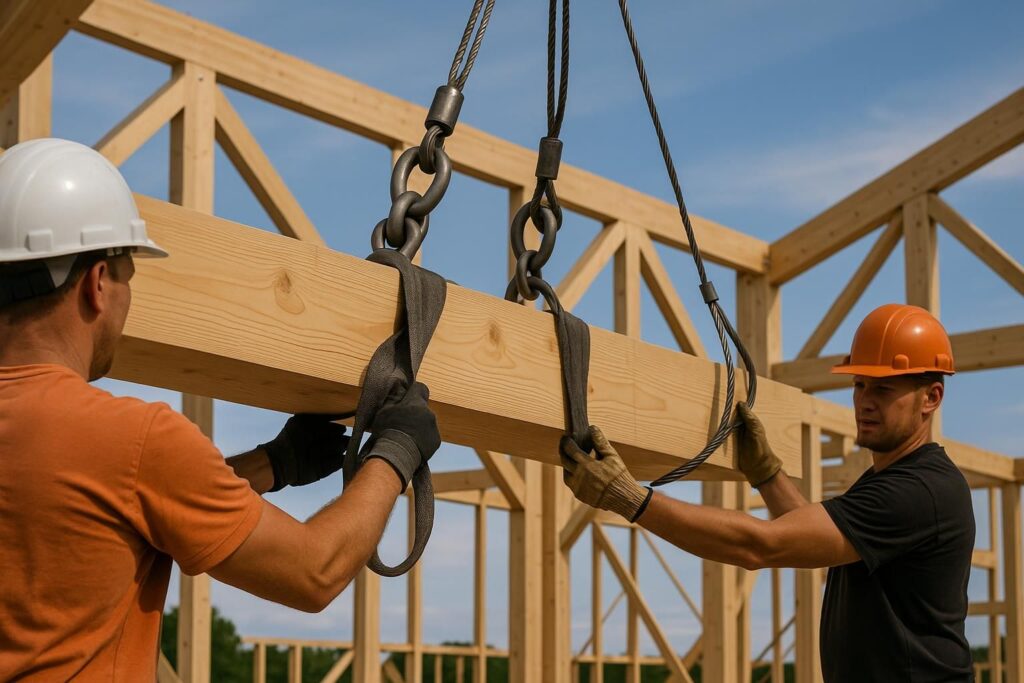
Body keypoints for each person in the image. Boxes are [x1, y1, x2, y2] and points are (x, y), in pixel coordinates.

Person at [0, 138, 441, 680]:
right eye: (127, 280)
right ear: (97, 284)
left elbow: (111, 504)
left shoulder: (108, 454)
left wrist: (271, 465)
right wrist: (397, 452)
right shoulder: (134, 440)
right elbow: (313, 571)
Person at [560, 303, 974, 682]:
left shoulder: (919, 491)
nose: (864, 401)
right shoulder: (896, 481)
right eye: (860, 385)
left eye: (882, 389)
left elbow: (762, 546)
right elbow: (813, 539)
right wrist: (767, 474)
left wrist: (629, 498)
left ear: (931, 398)